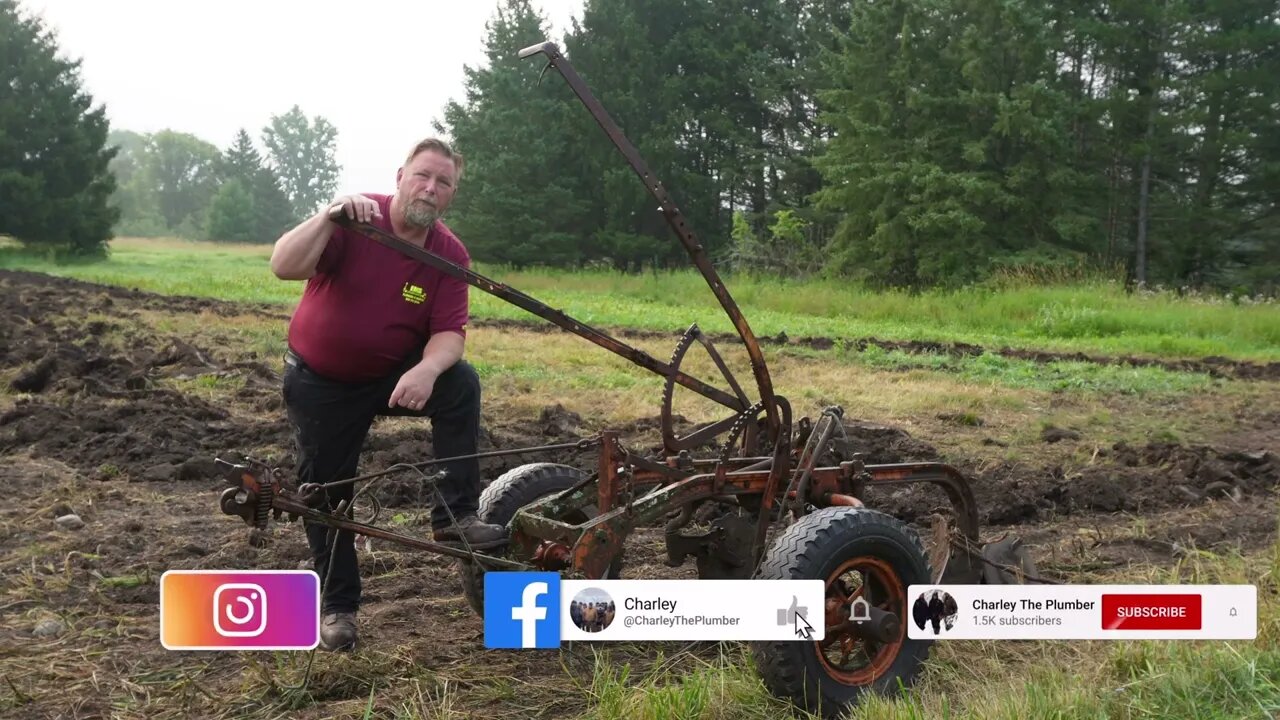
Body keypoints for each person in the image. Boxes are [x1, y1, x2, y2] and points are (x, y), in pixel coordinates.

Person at [269, 137, 507, 652]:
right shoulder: (356, 220)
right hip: (322, 382)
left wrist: (427, 369)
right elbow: (284, 265)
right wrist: (328, 217)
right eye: (423, 175)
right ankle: (338, 608)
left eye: (444, 182)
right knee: (326, 491)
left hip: (388, 375)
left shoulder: (448, 253)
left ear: (451, 195)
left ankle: (455, 518)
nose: (431, 187)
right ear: (400, 176)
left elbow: (449, 332)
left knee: (459, 381)